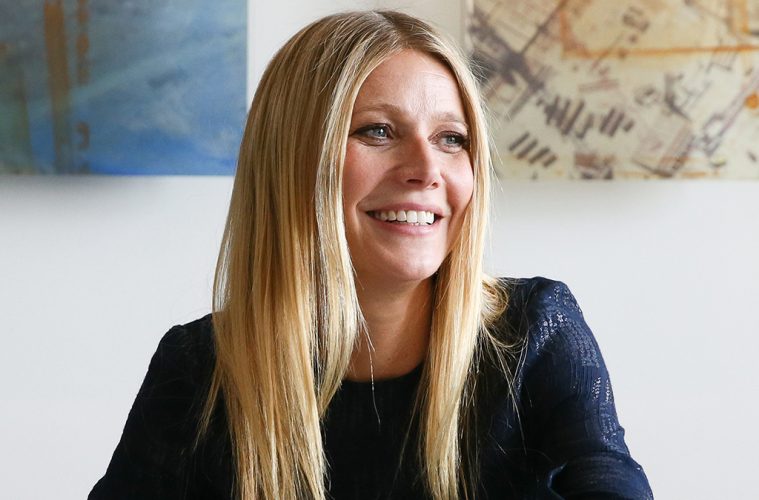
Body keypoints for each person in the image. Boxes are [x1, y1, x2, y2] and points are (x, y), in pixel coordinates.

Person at [89, 10, 652, 500]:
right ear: (293, 159)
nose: (427, 170)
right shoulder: (198, 368)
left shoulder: (534, 332)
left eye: (451, 139)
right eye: (379, 131)